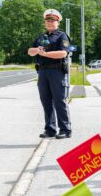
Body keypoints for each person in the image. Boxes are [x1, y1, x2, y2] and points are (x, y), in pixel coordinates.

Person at [28, 9, 72, 139]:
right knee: (46, 101)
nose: (50, 23)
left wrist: (46, 54)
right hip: (42, 72)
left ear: (58, 22)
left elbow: (63, 53)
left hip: (56, 71)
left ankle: (65, 129)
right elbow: (30, 51)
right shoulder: (41, 38)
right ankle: (50, 129)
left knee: (59, 100)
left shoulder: (61, 36)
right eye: (48, 21)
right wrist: (36, 50)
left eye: (53, 21)